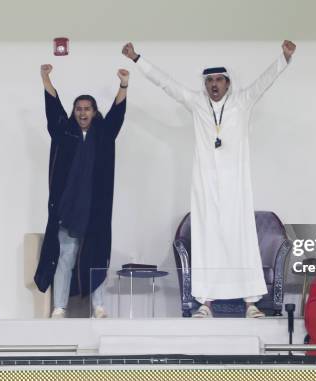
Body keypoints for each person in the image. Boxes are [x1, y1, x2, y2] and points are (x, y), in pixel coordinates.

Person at [122, 40, 296, 318]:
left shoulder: (242, 101)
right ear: (205, 85)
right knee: (207, 240)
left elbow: (265, 81)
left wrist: (283, 58)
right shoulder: (196, 103)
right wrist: (137, 58)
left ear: (228, 83)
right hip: (205, 185)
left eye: (219, 80)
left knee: (241, 238)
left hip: (236, 186)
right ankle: (205, 303)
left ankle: (251, 302)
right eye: (210, 81)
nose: (214, 85)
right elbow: (165, 83)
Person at [33, 63, 128, 318]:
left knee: (97, 256)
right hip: (68, 208)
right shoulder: (64, 133)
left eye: (87, 109)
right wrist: (46, 79)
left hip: (95, 209)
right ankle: (59, 306)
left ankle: (99, 306)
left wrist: (123, 85)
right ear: (74, 112)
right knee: (65, 256)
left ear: (95, 112)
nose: (82, 113)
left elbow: (117, 113)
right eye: (78, 109)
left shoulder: (104, 135)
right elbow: (53, 109)